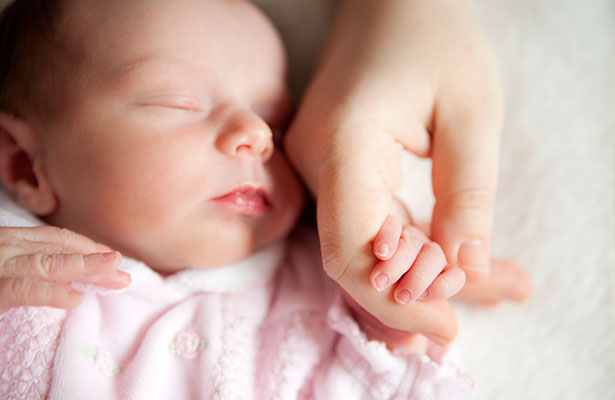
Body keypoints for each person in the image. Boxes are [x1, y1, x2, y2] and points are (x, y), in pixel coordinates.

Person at [0, 0, 527, 398]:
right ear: (27, 164)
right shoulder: (13, 262)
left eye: (277, 119)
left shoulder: (323, 276)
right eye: (179, 102)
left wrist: (388, 322)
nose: (257, 133)